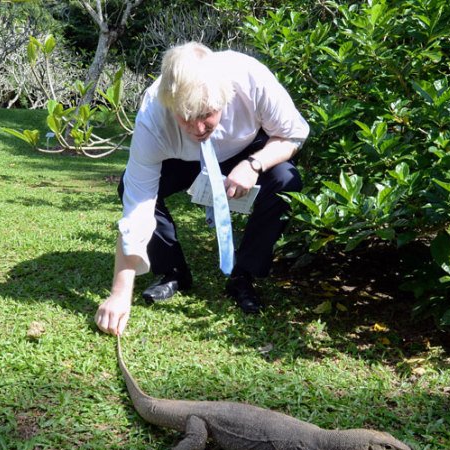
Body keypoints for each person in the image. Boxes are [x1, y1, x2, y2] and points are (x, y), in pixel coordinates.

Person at [95, 42, 309, 336]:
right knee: (128, 186)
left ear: (225, 97)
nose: (198, 128)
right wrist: (120, 293)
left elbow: (293, 134)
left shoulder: (250, 78)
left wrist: (254, 165)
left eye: (207, 114)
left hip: (244, 151)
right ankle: (173, 273)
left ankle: (243, 276)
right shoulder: (153, 115)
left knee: (286, 180)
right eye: (187, 116)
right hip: (183, 158)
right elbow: (138, 205)